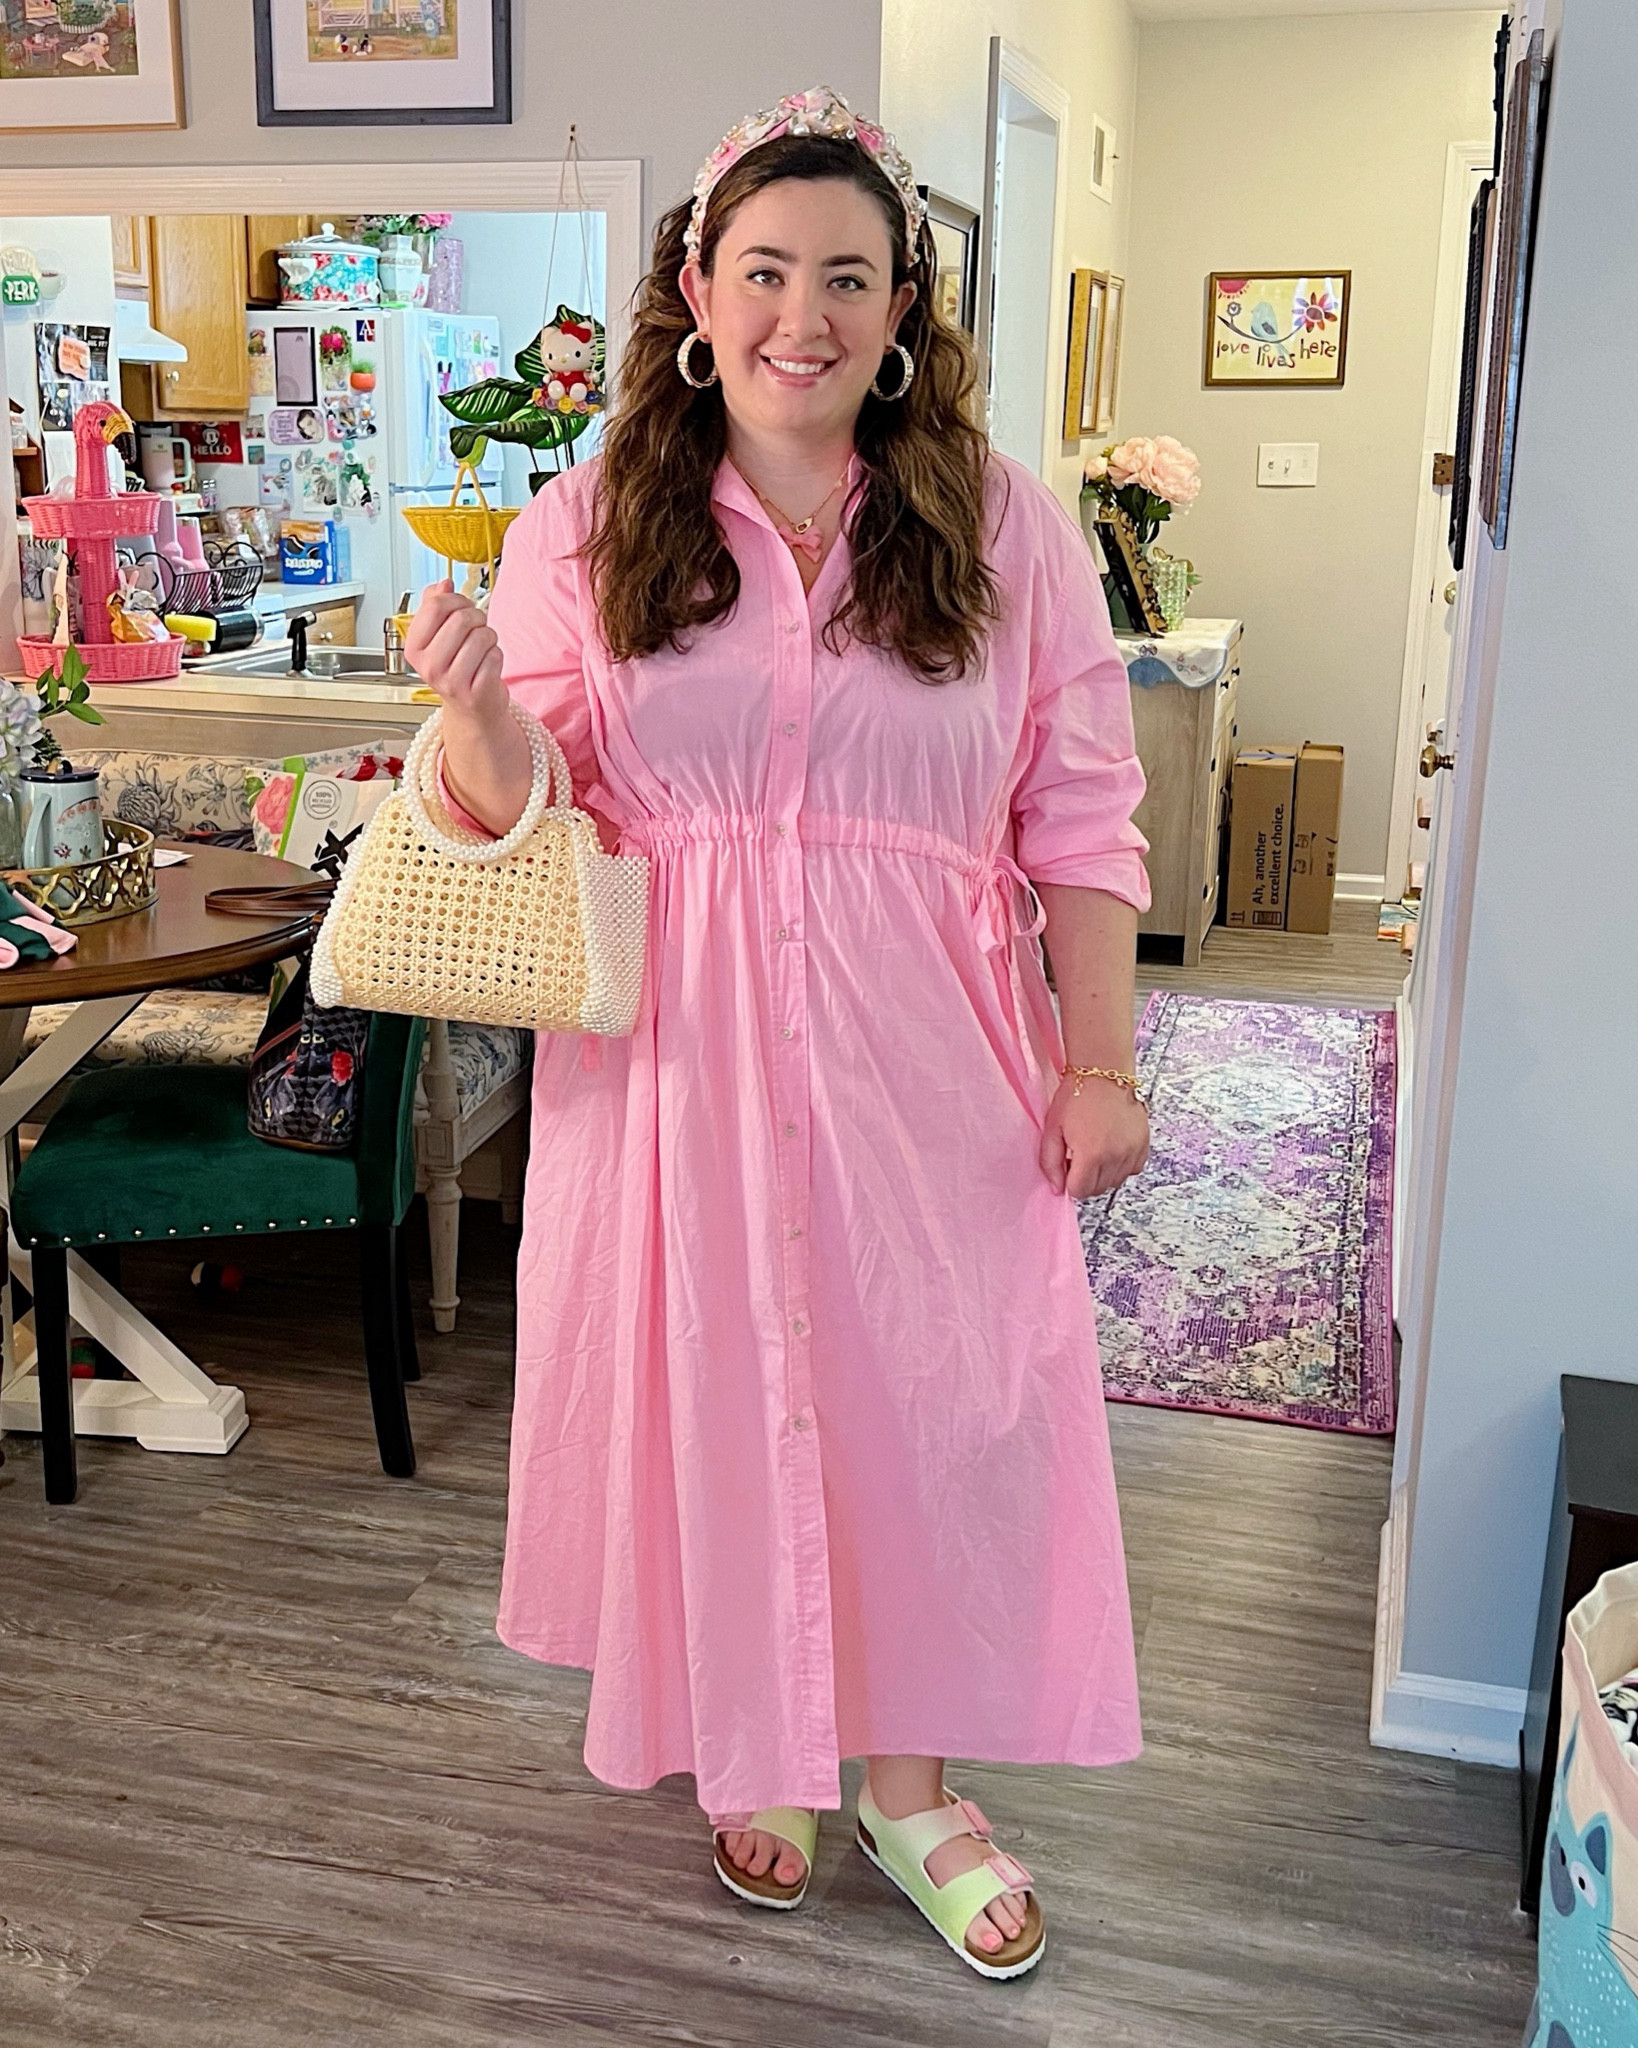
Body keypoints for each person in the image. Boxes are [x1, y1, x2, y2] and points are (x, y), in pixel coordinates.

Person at [405, 86, 1151, 1983]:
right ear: (694, 287)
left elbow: (1081, 821)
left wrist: (1099, 1061)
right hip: (676, 1062)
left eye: (846, 277)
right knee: (715, 1392)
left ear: (903, 310)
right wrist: (478, 707)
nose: (799, 316)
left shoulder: (997, 530)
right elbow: (529, 802)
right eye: (762, 271)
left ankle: (904, 1781)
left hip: (931, 1059)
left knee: (931, 1406)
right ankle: (758, 1742)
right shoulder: (592, 518)